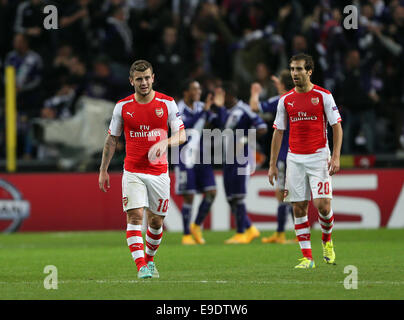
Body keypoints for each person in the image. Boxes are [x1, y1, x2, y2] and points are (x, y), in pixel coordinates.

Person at [98, 59, 186, 279]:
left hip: (159, 173)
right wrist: (103, 170)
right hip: (133, 171)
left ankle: (149, 260)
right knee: (135, 216)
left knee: (156, 221)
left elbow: (182, 135)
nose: (144, 82)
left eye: (147, 78)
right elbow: (111, 140)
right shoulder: (123, 106)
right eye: (139, 79)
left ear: (153, 78)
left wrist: (164, 143)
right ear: (131, 81)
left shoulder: (167, 103)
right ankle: (141, 267)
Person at [268, 53, 343, 269]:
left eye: (299, 69)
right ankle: (307, 258)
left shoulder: (323, 96)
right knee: (298, 206)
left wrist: (336, 155)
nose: (295, 73)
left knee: (322, 205)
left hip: (319, 155)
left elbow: (336, 126)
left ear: (309, 71)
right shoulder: (286, 100)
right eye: (292, 69)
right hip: (295, 158)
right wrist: (272, 165)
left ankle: (327, 241)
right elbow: (278, 132)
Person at [213, 82, 267, 244]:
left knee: (239, 196)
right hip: (227, 159)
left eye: (221, 94)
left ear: (228, 95)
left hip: (242, 158)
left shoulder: (244, 109)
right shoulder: (223, 111)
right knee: (230, 198)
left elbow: (263, 127)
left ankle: (241, 233)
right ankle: (250, 229)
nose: (219, 97)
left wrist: (245, 139)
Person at [249, 69, 296, 244]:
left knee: (283, 194)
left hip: (285, 154)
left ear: (282, 84)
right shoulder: (298, 98)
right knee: (291, 195)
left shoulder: (281, 100)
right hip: (299, 153)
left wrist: (255, 93)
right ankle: (294, 233)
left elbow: (255, 107)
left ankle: (281, 234)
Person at [175, 79, 216, 245]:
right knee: (189, 196)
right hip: (184, 156)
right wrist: (203, 113)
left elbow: (214, 120)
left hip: (202, 155)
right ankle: (186, 235)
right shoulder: (177, 108)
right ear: (186, 92)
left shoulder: (201, 106)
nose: (198, 92)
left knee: (212, 193)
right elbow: (183, 126)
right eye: (194, 89)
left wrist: (216, 109)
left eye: (199, 89)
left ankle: (196, 225)